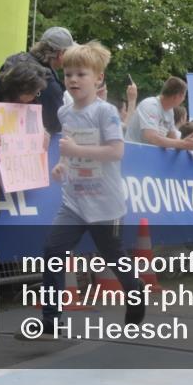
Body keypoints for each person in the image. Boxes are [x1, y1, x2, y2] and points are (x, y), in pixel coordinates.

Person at [33, 41, 145, 338]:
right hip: (74, 200)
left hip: (104, 202)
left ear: (98, 79)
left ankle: (136, 293)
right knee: (52, 250)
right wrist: (62, 164)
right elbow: (69, 147)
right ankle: (51, 319)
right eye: (68, 74)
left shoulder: (105, 112)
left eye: (81, 74)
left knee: (113, 256)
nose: (72, 80)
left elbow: (115, 152)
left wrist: (76, 149)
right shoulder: (65, 113)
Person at [1, 27, 74, 135]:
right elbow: (55, 125)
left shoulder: (13, 61)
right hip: (28, 142)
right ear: (60, 54)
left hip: (1, 131)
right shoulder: (48, 83)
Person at [125, 76, 193, 150]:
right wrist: (183, 143)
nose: (183, 100)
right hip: (134, 154)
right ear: (176, 96)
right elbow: (151, 137)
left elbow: (173, 139)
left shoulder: (169, 111)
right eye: (183, 96)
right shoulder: (150, 105)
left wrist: (189, 143)